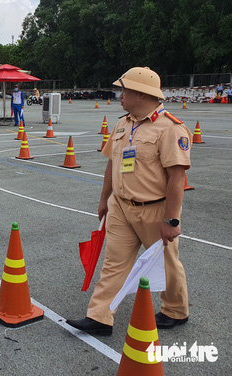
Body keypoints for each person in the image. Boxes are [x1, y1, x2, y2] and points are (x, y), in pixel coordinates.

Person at [67, 67, 192, 336]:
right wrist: (104, 199)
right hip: (121, 207)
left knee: (167, 262)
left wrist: (171, 220)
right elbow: (113, 163)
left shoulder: (170, 128)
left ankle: (175, 310)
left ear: (140, 94)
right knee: (114, 262)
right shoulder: (123, 123)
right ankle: (100, 317)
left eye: (124, 90)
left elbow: (176, 178)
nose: (120, 95)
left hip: (155, 210)